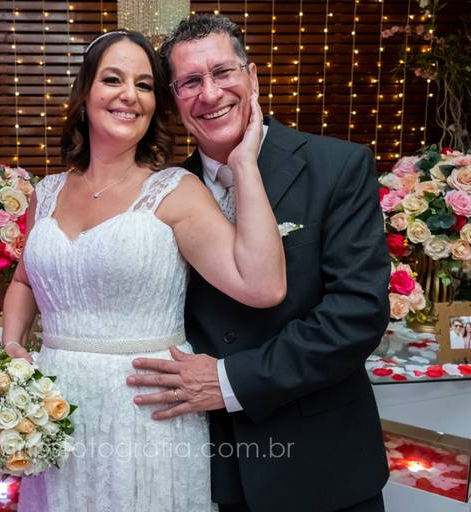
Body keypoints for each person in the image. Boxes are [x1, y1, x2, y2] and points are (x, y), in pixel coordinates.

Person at [1, 29, 286, 512]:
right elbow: (24, 281)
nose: (129, 95)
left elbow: (263, 286)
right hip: (51, 407)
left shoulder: (176, 190)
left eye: (145, 84)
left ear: (156, 104)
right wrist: (12, 345)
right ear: (86, 92)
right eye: (113, 79)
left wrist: (244, 165)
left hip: (145, 409)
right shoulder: (45, 193)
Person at [129, 14, 391, 512]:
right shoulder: (161, 192)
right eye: (190, 82)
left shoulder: (338, 167)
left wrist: (231, 381)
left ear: (251, 76)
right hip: (207, 467)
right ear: (174, 99)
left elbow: (357, 315)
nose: (210, 93)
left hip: (323, 466)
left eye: (222, 72)